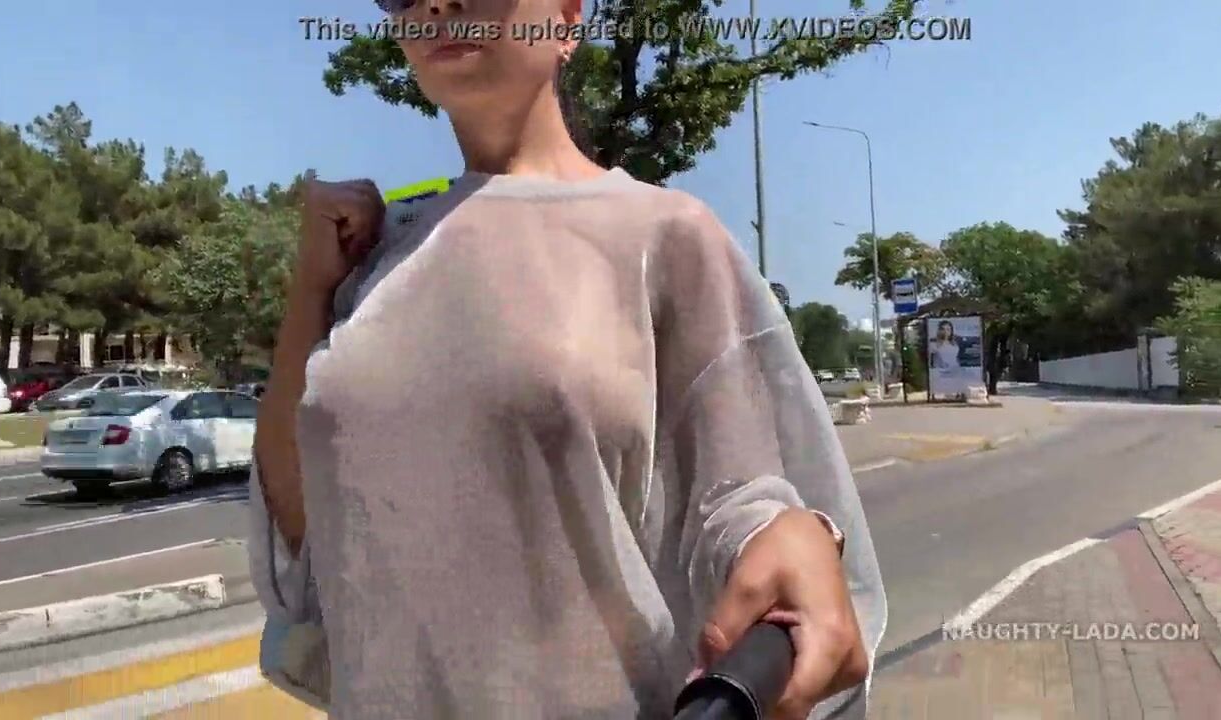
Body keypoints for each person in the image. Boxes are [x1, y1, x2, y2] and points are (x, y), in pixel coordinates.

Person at [248, 0, 885, 718]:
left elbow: (738, 499)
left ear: (568, 18)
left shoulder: (665, 233)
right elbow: (303, 536)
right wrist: (311, 290)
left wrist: (796, 533)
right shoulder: (375, 254)